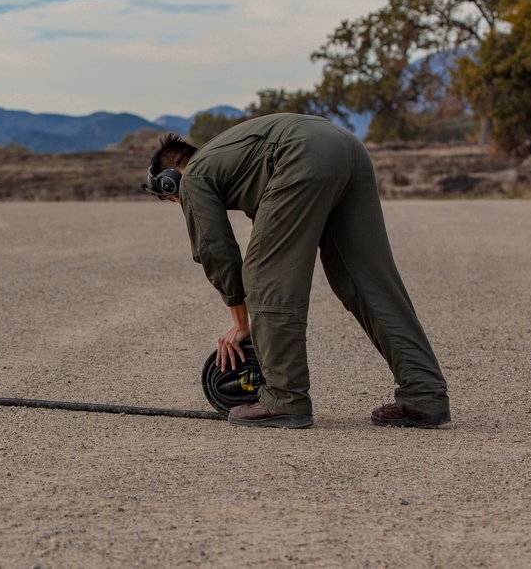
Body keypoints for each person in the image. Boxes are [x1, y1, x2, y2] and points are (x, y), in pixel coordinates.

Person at [142, 113, 450, 429]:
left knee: (266, 279)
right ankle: (424, 395)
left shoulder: (194, 175)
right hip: (348, 149)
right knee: (368, 282)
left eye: (174, 198)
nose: (181, 203)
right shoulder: (234, 161)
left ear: (170, 179)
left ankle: (283, 399)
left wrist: (240, 323)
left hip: (301, 154)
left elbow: (215, 250)